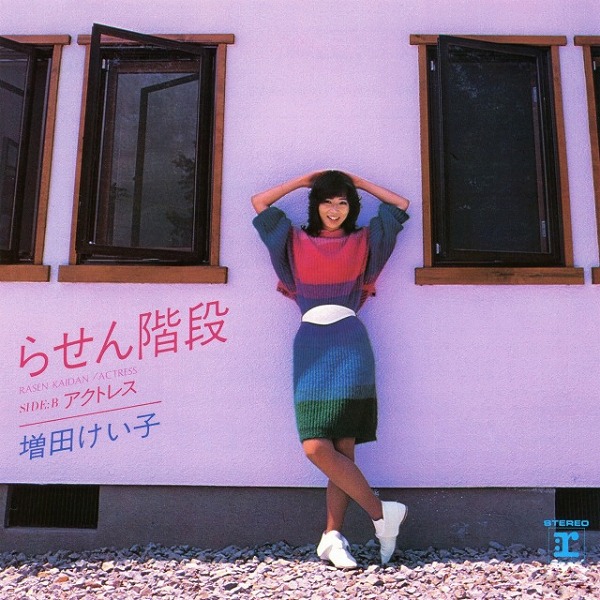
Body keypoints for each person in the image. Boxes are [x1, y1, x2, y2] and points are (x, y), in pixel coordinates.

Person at [251, 170, 410, 568]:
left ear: (351, 206)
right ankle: (381, 513)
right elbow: (260, 204)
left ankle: (332, 537)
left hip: (351, 345)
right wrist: (302, 180)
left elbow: (399, 206)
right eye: (327, 201)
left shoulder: (364, 241)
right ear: (316, 205)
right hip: (310, 344)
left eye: (342, 202)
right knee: (315, 446)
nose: (335, 210)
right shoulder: (293, 241)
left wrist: (359, 182)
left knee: (343, 449)